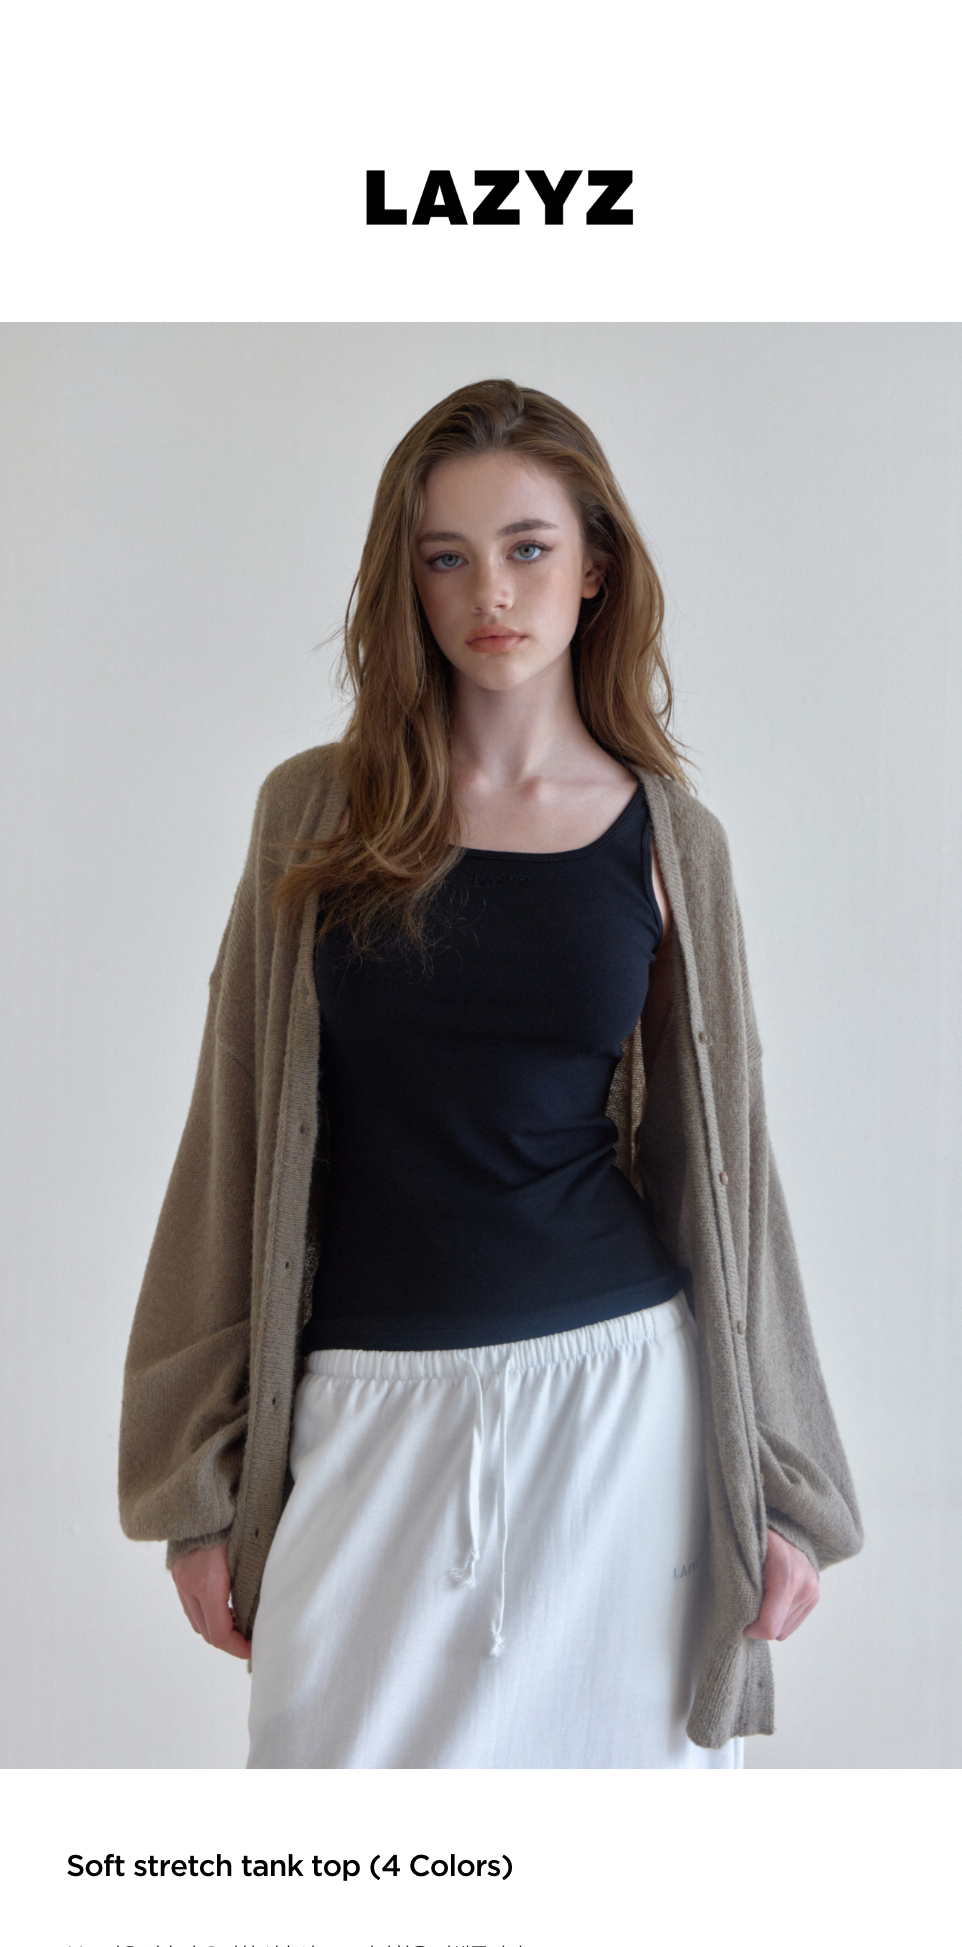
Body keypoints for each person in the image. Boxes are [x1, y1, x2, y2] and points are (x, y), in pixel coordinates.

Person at [118, 378, 862, 1771]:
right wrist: (193, 1488)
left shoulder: (670, 842)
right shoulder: (314, 814)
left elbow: (728, 1172)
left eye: (527, 548)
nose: (491, 594)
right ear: (404, 582)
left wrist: (779, 1484)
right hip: (367, 1405)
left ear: (595, 568)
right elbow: (232, 1141)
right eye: (445, 557)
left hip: (623, 1407)